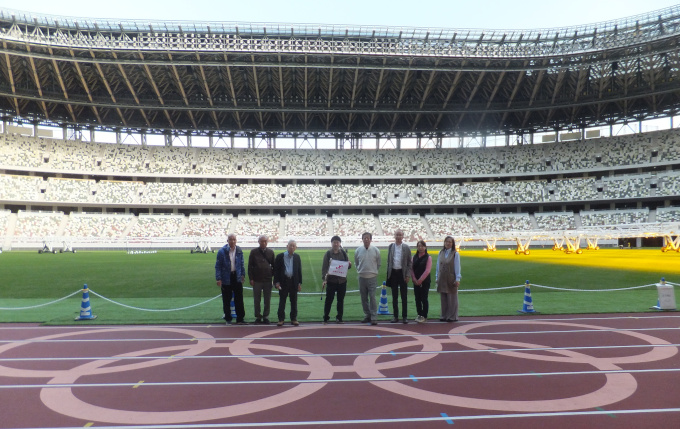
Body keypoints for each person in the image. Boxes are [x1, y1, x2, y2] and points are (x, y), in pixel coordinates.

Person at [215, 233, 247, 325]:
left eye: (234, 239)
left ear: (236, 240)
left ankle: (240, 318)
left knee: (239, 299)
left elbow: (241, 264)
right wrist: (218, 278)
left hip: (236, 277)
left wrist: (242, 275)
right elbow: (218, 266)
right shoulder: (222, 251)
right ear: (227, 241)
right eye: (230, 239)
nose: (232, 241)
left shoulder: (239, 250)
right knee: (226, 299)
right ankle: (228, 318)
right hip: (226, 277)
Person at [321, 235, 352, 324]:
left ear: (339, 244)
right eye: (334, 242)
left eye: (337, 242)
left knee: (340, 300)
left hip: (342, 281)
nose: (335, 244)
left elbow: (348, 266)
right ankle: (326, 317)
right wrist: (324, 279)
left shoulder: (344, 253)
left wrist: (349, 264)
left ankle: (339, 317)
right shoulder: (328, 254)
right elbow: (324, 268)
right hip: (331, 281)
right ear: (331, 243)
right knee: (329, 300)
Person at [274, 240, 303, 326]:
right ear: (287, 246)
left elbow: (299, 271)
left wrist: (299, 283)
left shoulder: (297, 257)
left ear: (296, 248)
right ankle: (281, 319)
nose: (292, 247)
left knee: (294, 301)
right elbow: (276, 271)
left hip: (293, 281)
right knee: (282, 301)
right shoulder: (280, 256)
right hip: (283, 282)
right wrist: (277, 282)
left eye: (293, 246)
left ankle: (293, 319)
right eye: (290, 245)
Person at [354, 232, 381, 325]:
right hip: (362, 277)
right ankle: (367, 315)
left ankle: (374, 316)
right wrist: (359, 270)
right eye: (364, 238)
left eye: (368, 238)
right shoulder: (358, 250)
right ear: (362, 239)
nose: (366, 239)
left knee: (372, 297)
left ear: (371, 239)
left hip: (372, 277)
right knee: (363, 298)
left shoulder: (376, 250)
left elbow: (379, 263)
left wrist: (373, 271)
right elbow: (356, 262)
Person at [386, 229, 412, 324]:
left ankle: (404, 316)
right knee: (394, 296)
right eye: (397, 235)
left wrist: (407, 275)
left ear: (403, 237)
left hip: (402, 273)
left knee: (404, 296)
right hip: (393, 273)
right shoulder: (391, 246)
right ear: (394, 236)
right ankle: (395, 316)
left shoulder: (406, 247)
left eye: (400, 235)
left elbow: (409, 262)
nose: (398, 237)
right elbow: (389, 261)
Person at [248, 235, 275, 324]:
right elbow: (250, 266)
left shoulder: (271, 252)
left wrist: (273, 278)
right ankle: (258, 316)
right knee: (257, 300)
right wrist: (251, 278)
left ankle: (266, 316)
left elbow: (274, 266)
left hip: (267, 280)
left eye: (265, 241)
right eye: (262, 241)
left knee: (267, 299)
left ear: (267, 242)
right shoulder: (253, 252)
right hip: (257, 280)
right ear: (258, 242)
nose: (263, 243)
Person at [436, 236, 461, 322]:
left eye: (450, 242)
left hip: (451, 278)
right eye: (446, 241)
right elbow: (438, 266)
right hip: (442, 278)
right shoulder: (441, 252)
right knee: (443, 298)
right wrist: (437, 277)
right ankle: (444, 315)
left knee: (452, 297)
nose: (448, 243)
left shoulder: (455, 254)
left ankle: (452, 316)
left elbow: (457, 267)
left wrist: (457, 279)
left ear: (452, 243)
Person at [411, 240, 432, 323]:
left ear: (425, 247)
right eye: (419, 246)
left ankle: (424, 315)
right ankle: (419, 314)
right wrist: (414, 278)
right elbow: (411, 269)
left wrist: (420, 280)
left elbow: (427, 270)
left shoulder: (428, 257)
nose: (420, 248)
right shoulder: (414, 257)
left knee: (424, 298)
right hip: (415, 281)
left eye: (422, 246)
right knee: (417, 298)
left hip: (425, 281)